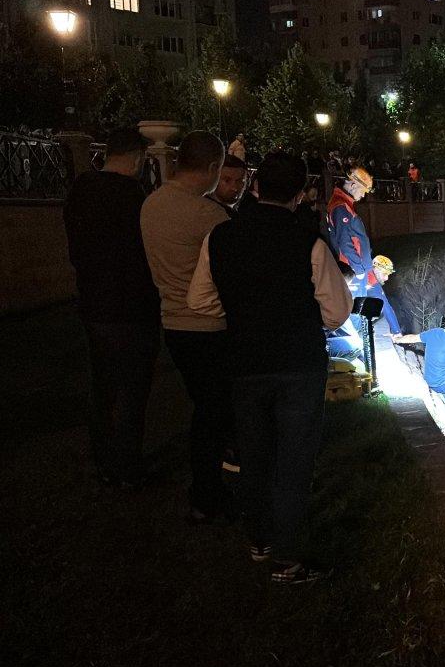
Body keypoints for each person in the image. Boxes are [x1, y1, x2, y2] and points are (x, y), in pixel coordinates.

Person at [188, 151, 352, 584]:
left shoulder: (220, 238)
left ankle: (259, 539)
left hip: (243, 364)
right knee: (293, 462)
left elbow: (199, 301)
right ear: (300, 195)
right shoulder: (310, 244)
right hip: (298, 365)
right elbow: (336, 312)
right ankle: (287, 558)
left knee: (253, 455)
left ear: (254, 188)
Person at [140, 130, 233, 523]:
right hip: (210, 327)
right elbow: (232, 274)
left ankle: (213, 484)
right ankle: (207, 495)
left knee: (206, 407)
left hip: (173, 325)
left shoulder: (151, 204)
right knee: (215, 413)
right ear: (213, 167)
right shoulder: (208, 215)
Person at [62, 128, 161, 487]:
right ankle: (126, 465)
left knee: (102, 385)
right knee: (133, 389)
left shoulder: (80, 190)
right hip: (132, 306)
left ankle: (101, 458)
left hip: (93, 303)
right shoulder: (133, 196)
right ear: (136, 157)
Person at [326, 166, 374, 295]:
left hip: (355, 268)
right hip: (353, 270)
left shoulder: (343, 204)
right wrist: (359, 270)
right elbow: (344, 242)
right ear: (353, 185)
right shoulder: (341, 207)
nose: (363, 195)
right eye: (363, 191)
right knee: (355, 309)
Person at [367, 255, 402, 336]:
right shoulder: (360, 277)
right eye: (384, 273)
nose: (386, 278)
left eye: (388, 274)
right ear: (375, 269)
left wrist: (396, 331)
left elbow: (386, 306)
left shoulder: (374, 282)